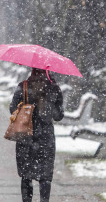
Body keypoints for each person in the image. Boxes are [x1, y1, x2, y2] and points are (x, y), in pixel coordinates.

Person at [9, 68, 64, 202]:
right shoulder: (54, 88)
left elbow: (12, 108)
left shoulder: (24, 86)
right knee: (45, 176)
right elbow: (59, 116)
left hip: (26, 136)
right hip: (46, 138)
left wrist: (25, 107)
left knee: (26, 175)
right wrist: (48, 105)